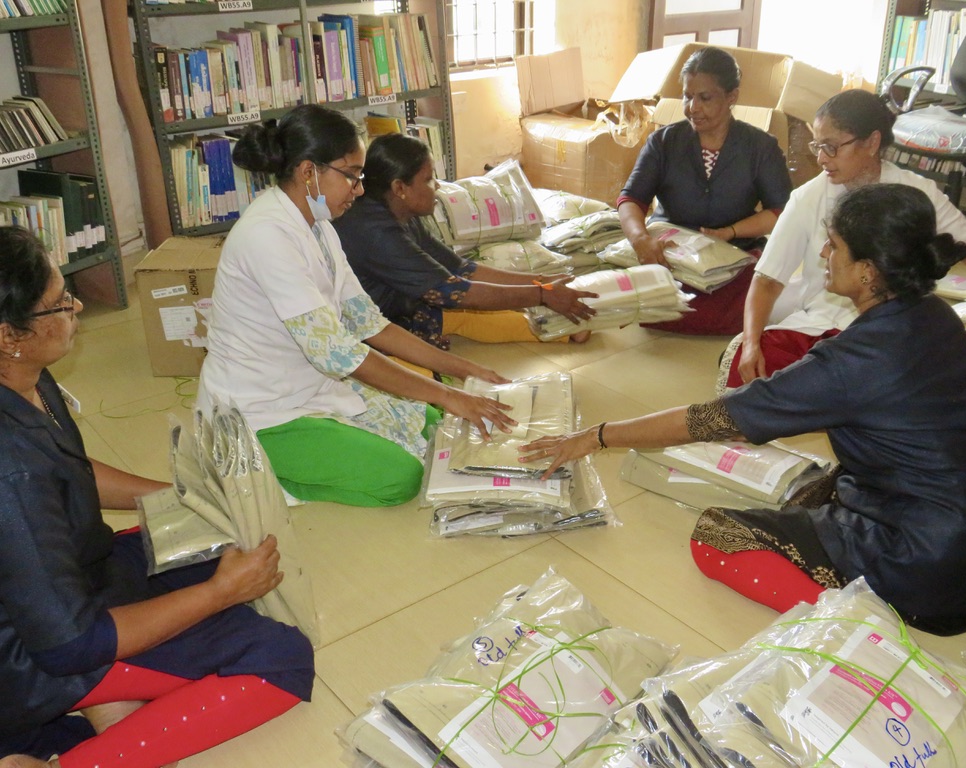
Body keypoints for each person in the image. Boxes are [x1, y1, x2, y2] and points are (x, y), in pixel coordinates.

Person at [521, 185, 966, 636]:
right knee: (811, 490)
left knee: (718, 534)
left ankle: (857, 630)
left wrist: (596, 436)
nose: (824, 253)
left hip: (927, 558)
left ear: (868, 272)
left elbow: (708, 419)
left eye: (835, 246)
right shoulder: (937, 316)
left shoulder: (849, 362)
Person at [0, 226, 314, 768]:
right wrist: (220, 594)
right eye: (60, 305)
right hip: (36, 657)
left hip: (71, 582)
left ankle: (108, 707)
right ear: (11, 335)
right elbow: (69, 644)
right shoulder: (10, 470)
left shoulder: (24, 378)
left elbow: (67, 471)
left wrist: (178, 497)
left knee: (207, 543)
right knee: (280, 656)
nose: (75, 309)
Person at [196, 105, 515, 508]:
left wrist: (467, 372)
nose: (360, 189)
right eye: (351, 175)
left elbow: (371, 325)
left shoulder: (321, 228)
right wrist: (449, 393)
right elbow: (338, 353)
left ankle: (331, 441)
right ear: (309, 172)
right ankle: (253, 474)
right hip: (261, 410)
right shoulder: (266, 236)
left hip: (313, 387)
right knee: (400, 478)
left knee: (434, 425)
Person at [727, 88, 966, 389]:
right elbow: (767, 280)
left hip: (896, 330)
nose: (820, 158)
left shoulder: (915, 192)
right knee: (746, 362)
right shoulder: (808, 198)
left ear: (872, 142)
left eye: (831, 147)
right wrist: (751, 344)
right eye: (818, 146)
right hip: (824, 327)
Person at [333, 132, 597, 349]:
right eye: (428, 179)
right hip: (372, 333)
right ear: (400, 188)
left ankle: (562, 327)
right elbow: (453, 291)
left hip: (402, 310)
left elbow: (461, 268)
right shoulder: (376, 232)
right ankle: (562, 329)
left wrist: (543, 284)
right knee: (461, 322)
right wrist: (541, 295)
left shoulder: (401, 213)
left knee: (474, 312)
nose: (436, 186)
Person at [617, 46, 792, 336]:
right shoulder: (663, 142)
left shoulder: (760, 147)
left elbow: (780, 211)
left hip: (734, 255)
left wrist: (730, 232)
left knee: (755, 285)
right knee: (635, 285)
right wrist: (640, 239)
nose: (692, 107)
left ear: (732, 97)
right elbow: (630, 199)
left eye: (705, 98)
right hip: (671, 255)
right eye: (687, 96)